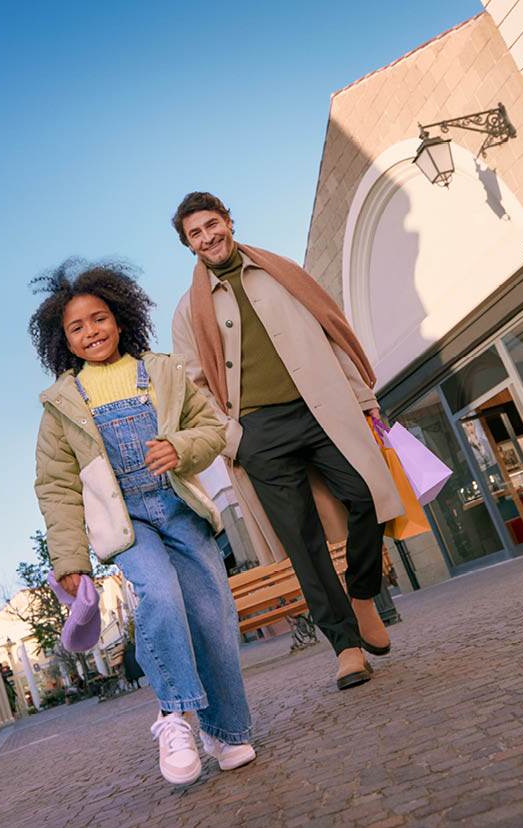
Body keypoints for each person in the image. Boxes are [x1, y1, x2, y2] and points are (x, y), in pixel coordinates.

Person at [30, 258, 254, 785]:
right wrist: (68, 559)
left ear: (120, 317)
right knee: (159, 593)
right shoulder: (61, 405)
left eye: (99, 318)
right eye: (77, 327)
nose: (91, 332)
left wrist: (179, 447)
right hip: (127, 521)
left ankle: (223, 730)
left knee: (211, 612)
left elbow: (213, 429)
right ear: (62, 340)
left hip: (178, 505)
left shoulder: (163, 372)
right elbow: (57, 488)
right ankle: (173, 715)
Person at [171, 192, 404, 691]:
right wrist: (235, 440)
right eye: (195, 233)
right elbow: (192, 387)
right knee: (303, 542)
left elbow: (329, 334)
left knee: (368, 497)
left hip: (322, 409)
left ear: (229, 221)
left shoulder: (282, 273)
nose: (208, 237)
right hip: (259, 433)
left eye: (212, 224)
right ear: (188, 245)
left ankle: (362, 598)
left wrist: (363, 397)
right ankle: (344, 647)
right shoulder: (188, 313)